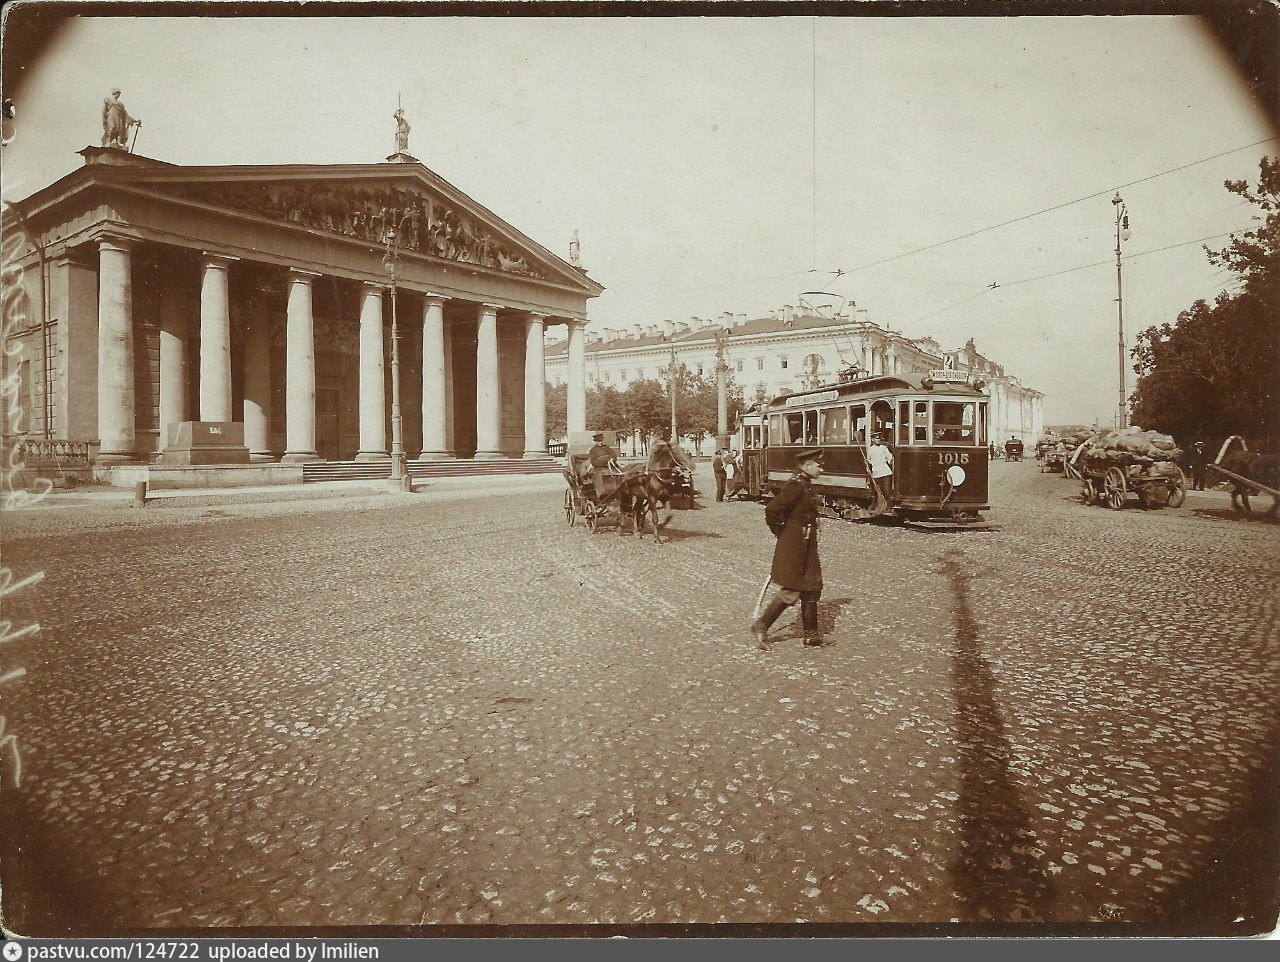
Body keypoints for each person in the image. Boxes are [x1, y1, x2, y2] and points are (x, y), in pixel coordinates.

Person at [752, 448, 825, 650]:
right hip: (795, 543)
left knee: (811, 587)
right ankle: (761, 625)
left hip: (806, 542)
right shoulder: (796, 486)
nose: (821, 467)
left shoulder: (805, 484)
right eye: (818, 464)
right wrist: (782, 533)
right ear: (806, 465)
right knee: (792, 588)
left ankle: (811, 635)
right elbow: (772, 509)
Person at [867, 431, 894, 515]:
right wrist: (868, 463)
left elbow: (890, 457)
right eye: (876, 438)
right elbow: (869, 460)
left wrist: (888, 461)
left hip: (885, 471)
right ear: (872, 439)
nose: (878, 440)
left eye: (879, 438)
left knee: (886, 490)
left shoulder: (883, 448)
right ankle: (877, 506)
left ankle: (888, 507)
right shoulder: (870, 449)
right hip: (876, 472)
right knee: (876, 491)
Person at [587, 432, 618, 497]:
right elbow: (593, 461)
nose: (600, 442)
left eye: (601, 441)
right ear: (595, 441)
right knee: (602, 475)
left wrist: (612, 459)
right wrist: (604, 460)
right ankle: (602, 493)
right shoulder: (593, 450)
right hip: (600, 468)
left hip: (611, 466)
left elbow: (613, 454)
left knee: (619, 472)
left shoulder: (607, 447)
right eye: (598, 441)